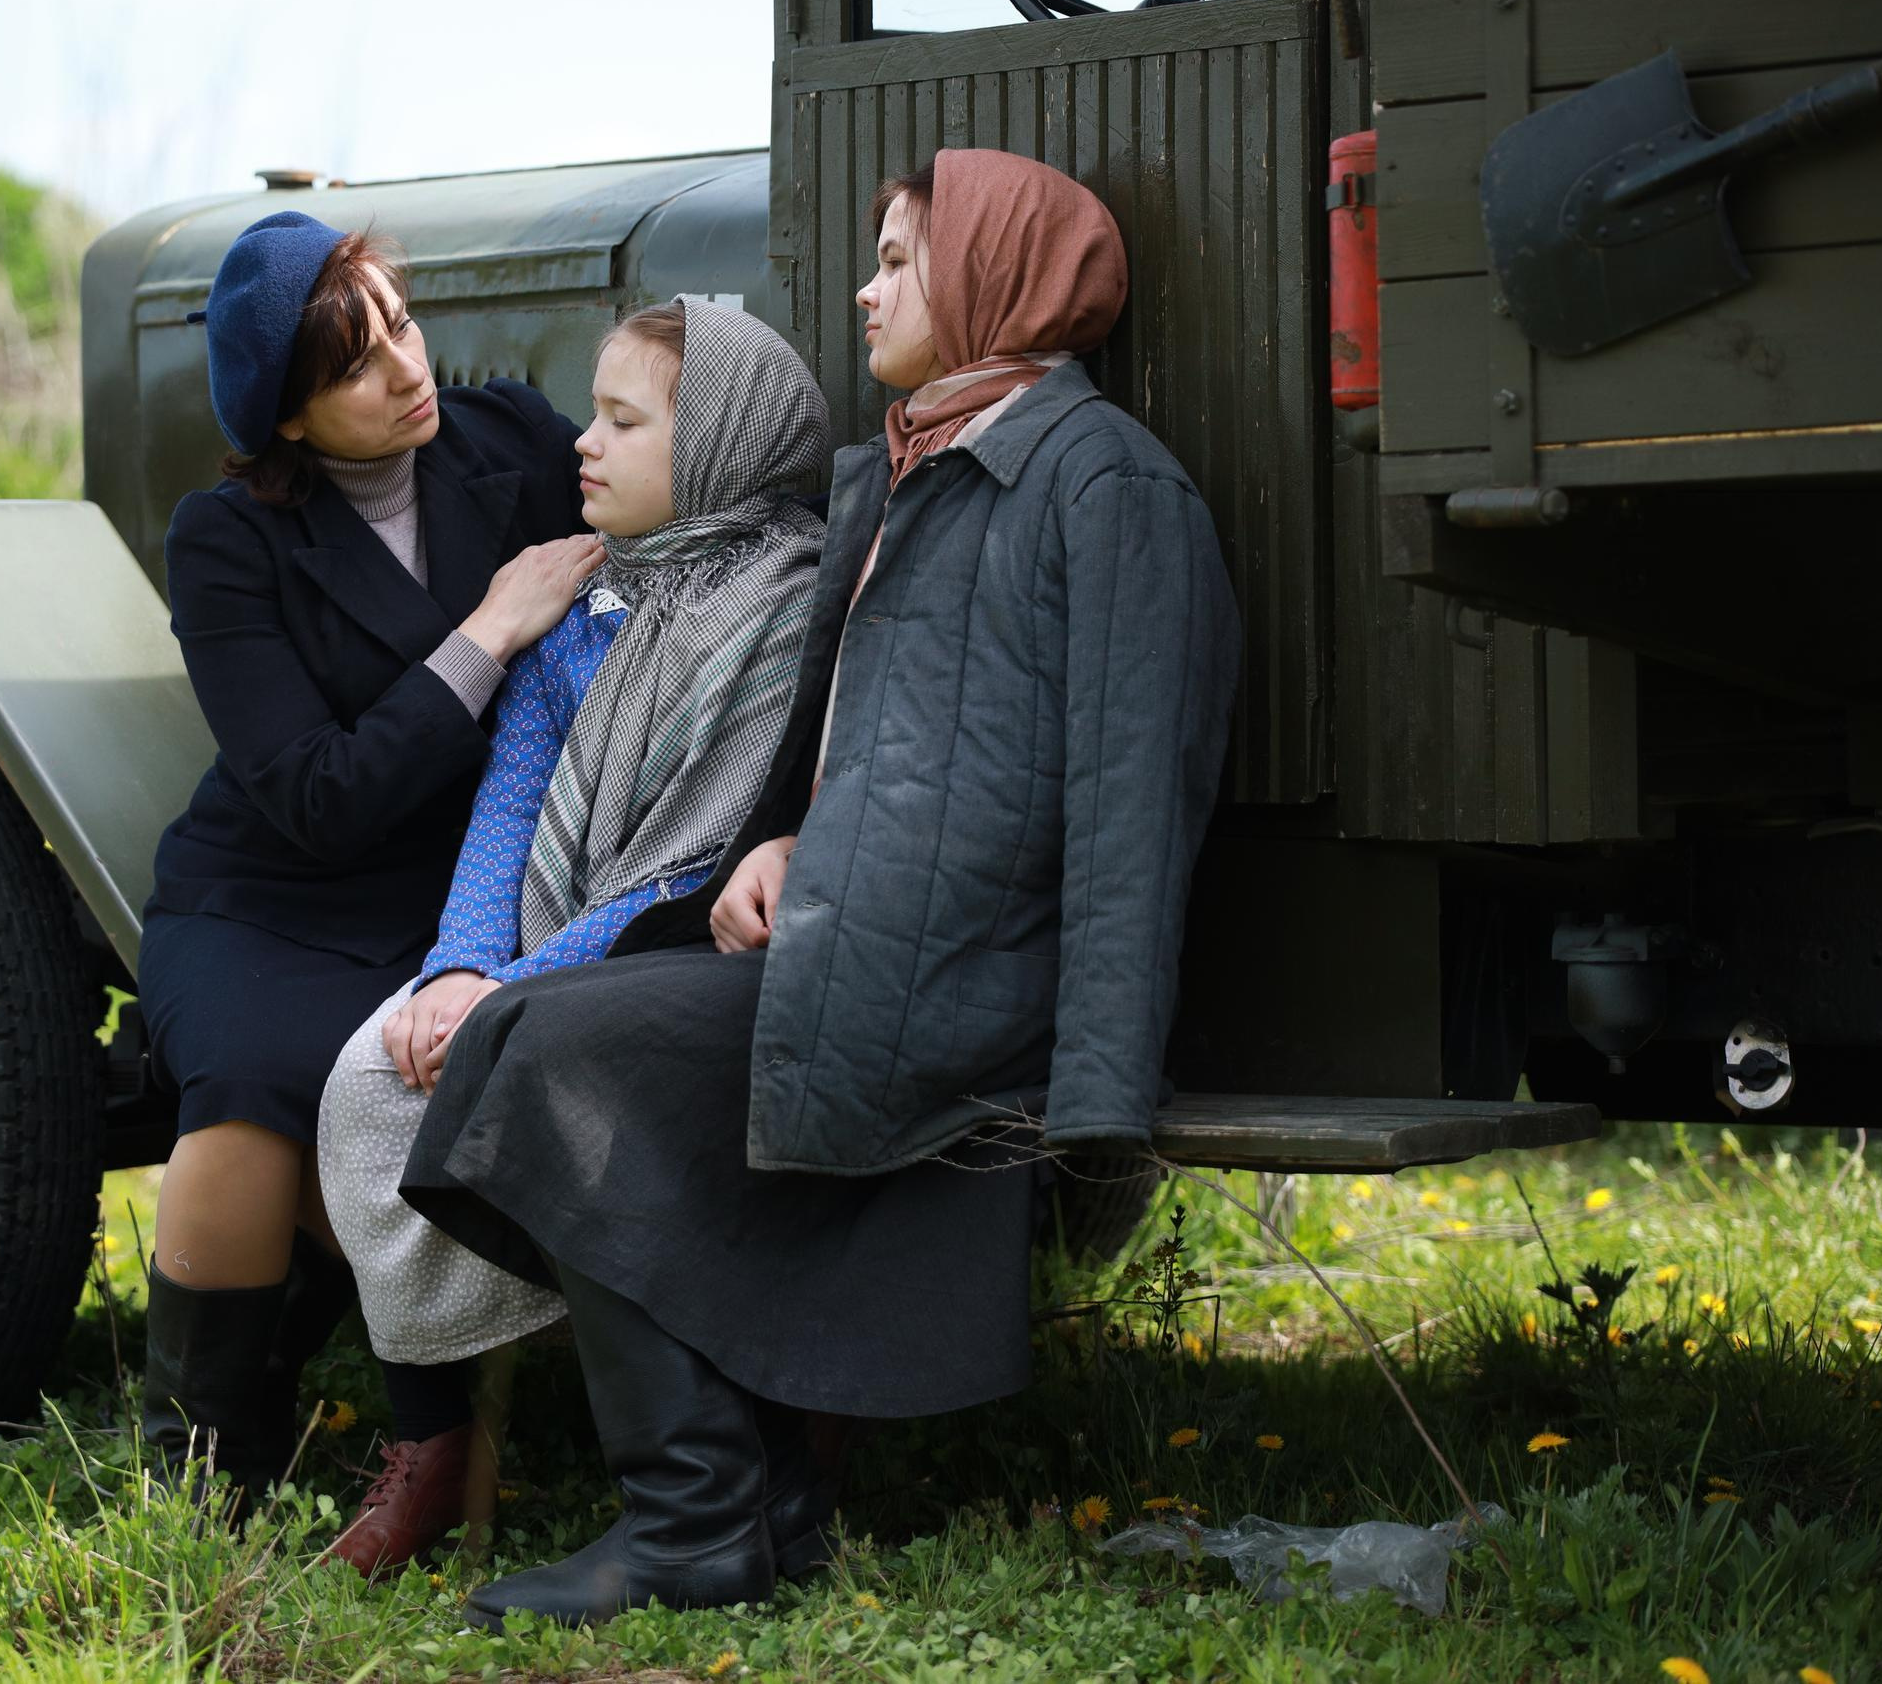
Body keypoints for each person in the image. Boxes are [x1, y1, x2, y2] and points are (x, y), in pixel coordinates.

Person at [399, 148, 1246, 1628]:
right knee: (528, 1034)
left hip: (967, 987)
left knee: (554, 1049)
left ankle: (691, 1521)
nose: (866, 290)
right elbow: (886, 744)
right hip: (854, 948)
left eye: (901, 260)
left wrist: (1096, 1113)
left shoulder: (1103, 485)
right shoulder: (906, 469)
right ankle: (759, 1501)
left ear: (991, 281)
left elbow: (1132, 802)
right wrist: (787, 846)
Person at [314, 297, 829, 1577]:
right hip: (550, 953)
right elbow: (507, 809)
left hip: (674, 956)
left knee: (495, 1076)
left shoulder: (781, 608)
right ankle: (461, 1425)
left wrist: (515, 993)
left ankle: (656, 1421)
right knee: (364, 1081)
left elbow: (689, 869)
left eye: (622, 422)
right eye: (589, 416)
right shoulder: (594, 605)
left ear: (716, 443)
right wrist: (459, 969)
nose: (583, 445)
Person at [137, 209, 601, 1509]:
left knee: (389, 1090)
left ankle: (430, 1410)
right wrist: (489, 631)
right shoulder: (226, 540)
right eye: (354, 365)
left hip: (453, 896)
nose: (406, 370)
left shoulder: (511, 438)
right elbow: (317, 795)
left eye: (401, 324)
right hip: (267, 899)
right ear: (287, 418)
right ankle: (203, 1477)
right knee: (251, 1091)